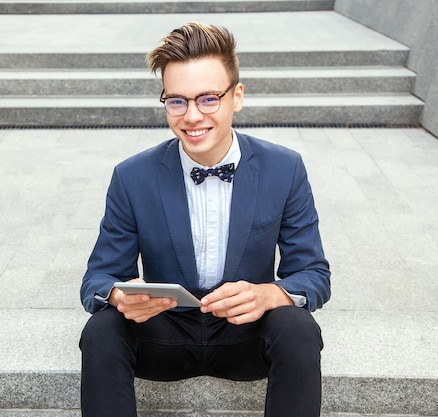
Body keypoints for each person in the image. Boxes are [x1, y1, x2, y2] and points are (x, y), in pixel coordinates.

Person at [79, 22, 331, 417]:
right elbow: (98, 278)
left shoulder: (285, 169)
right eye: (176, 101)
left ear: (237, 97)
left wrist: (269, 295)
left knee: (298, 329)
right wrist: (120, 295)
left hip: (246, 334)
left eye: (208, 99)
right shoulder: (133, 176)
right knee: (102, 330)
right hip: (164, 334)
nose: (192, 116)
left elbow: (313, 273)